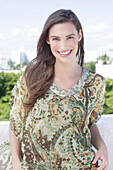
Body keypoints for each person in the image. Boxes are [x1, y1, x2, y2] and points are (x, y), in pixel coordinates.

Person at [0, 9, 108, 170]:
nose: (63, 45)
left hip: (78, 165)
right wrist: (16, 163)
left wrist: (102, 147)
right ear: (48, 40)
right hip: (31, 166)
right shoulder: (32, 76)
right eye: (56, 38)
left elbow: (90, 124)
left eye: (69, 37)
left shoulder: (95, 83)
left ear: (79, 35)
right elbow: (16, 122)